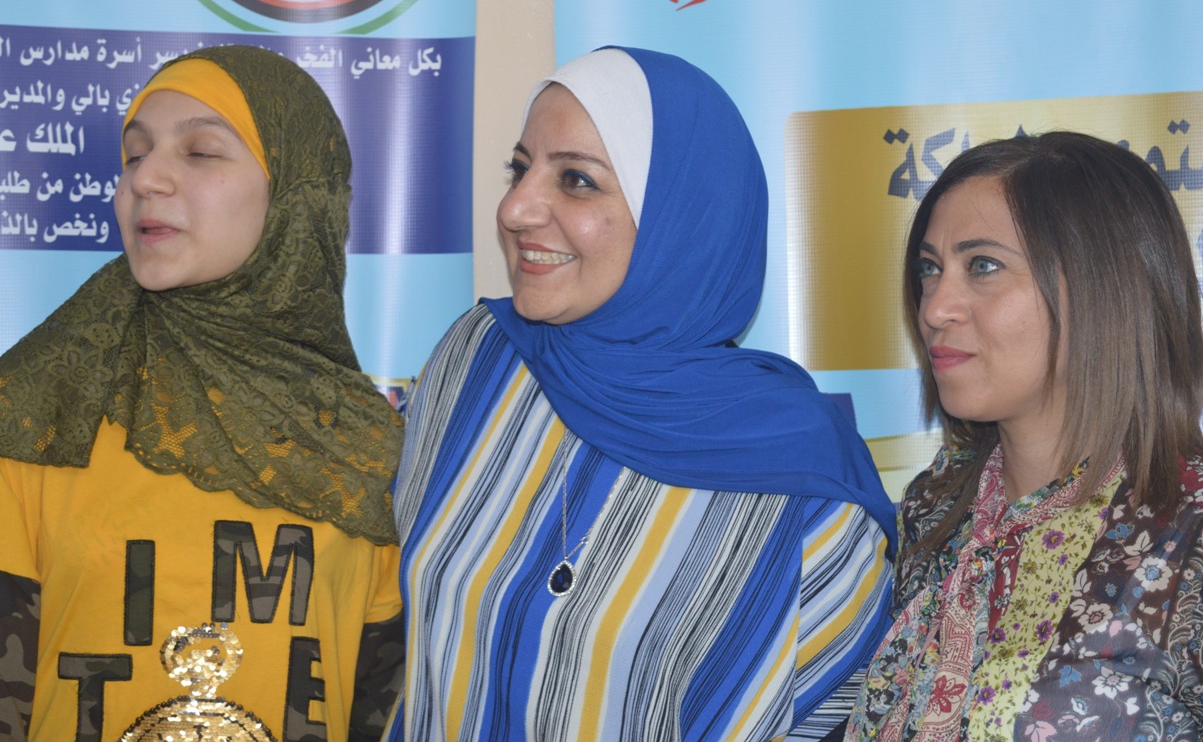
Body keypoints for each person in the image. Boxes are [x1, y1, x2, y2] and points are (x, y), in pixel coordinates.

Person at [383, 46, 896, 742]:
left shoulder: (797, 478)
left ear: (683, 217)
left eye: (576, 180)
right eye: (519, 168)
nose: (514, 207)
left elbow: (826, 711)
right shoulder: (477, 360)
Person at [0, 45, 405, 741]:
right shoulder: (39, 411)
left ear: (294, 194)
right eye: (134, 155)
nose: (144, 179)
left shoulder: (370, 451)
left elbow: (383, 707)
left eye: (201, 152)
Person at [846, 131, 1203, 741]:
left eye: (982, 266)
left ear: (1102, 285)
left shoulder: (1187, 533)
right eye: (930, 268)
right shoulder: (933, 509)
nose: (934, 307)